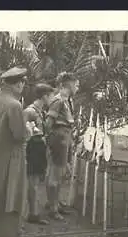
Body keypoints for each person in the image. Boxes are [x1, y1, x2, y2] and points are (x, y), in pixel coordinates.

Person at [0, 67, 30, 237]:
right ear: (18, 83)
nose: (23, 86)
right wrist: (29, 130)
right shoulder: (14, 105)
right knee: (11, 198)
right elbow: (19, 135)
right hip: (11, 158)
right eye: (22, 83)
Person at [44, 72, 79, 221]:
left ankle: (55, 203)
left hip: (64, 137)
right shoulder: (58, 101)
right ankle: (53, 208)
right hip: (59, 138)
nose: (78, 87)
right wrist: (51, 141)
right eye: (76, 85)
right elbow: (48, 123)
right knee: (55, 175)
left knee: (57, 174)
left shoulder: (66, 100)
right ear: (68, 85)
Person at [23, 83, 56, 225]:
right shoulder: (30, 111)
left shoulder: (41, 111)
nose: (53, 99)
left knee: (36, 181)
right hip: (32, 148)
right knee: (32, 182)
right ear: (44, 96)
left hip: (39, 148)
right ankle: (32, 214)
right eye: (51, 96)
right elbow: (23, 133)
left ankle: (33, 211)